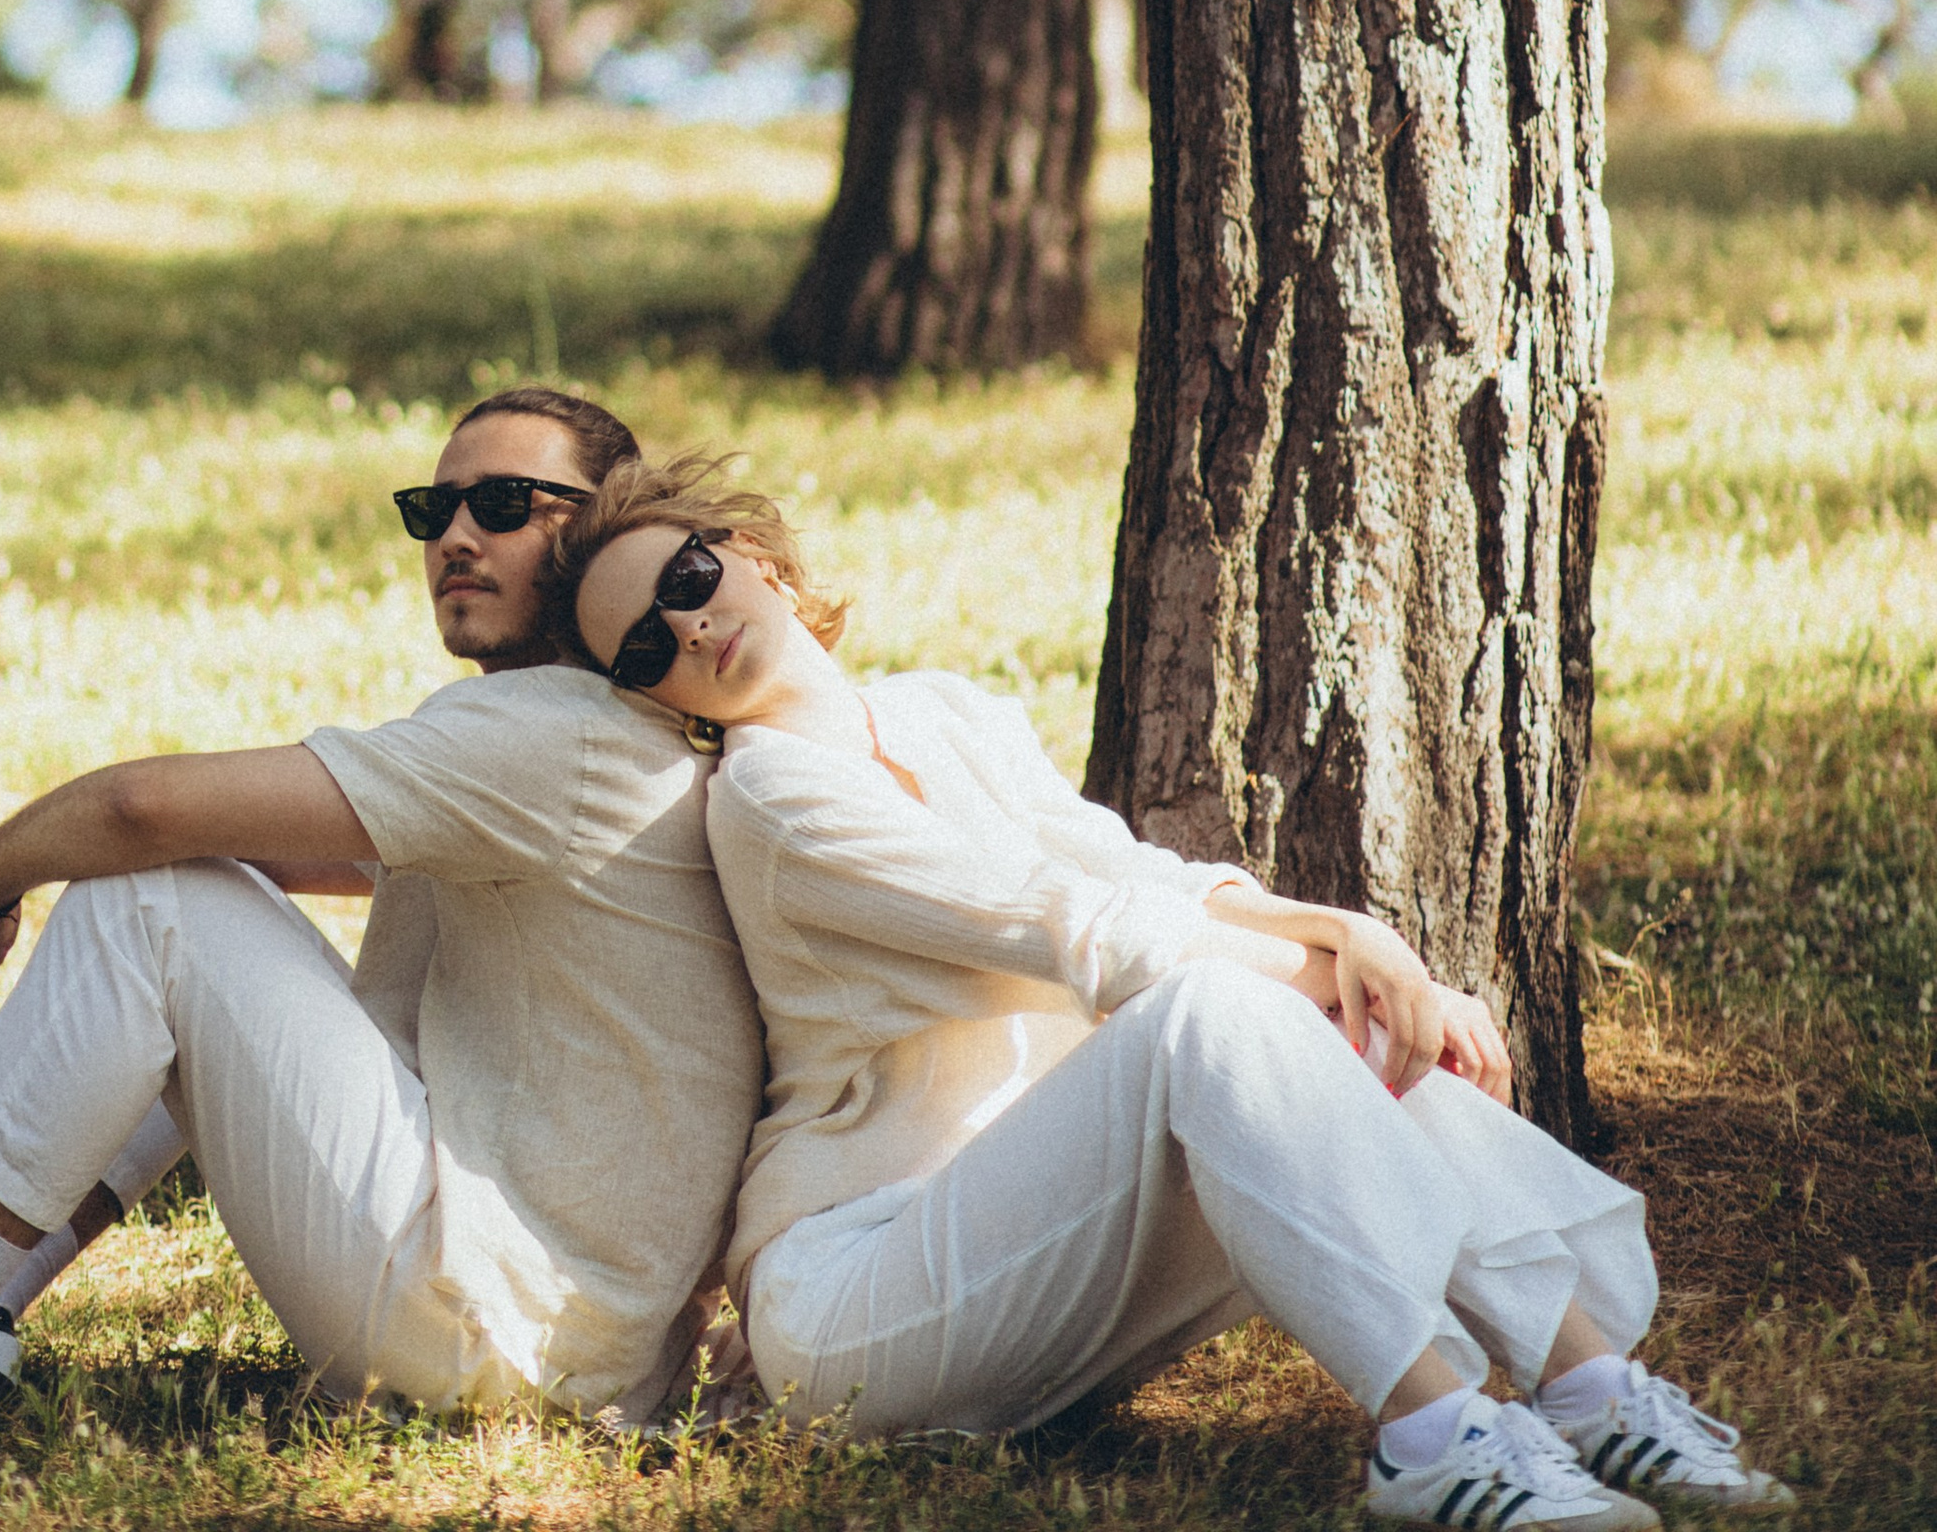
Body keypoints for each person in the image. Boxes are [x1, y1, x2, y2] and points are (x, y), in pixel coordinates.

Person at [554, 458, 1792, 1526]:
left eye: (688, 580)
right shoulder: (770, 799)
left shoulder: (939, 711)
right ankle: (1433, 1437)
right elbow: (1067, 931)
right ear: (658, 697)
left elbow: (1135, 876)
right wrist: (1338, 977)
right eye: (649, 647)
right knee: (1215, 1012)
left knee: (1286, 1025)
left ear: (757, 558)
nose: (691, 628)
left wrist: (1353, 936)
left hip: (1042, 1246)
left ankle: (1590, 1393)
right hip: (863, 1305)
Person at [0, 386, 762, 1451]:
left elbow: (141, 809)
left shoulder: (546, 736)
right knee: (193, 895)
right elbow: (349, 859)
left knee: (153, 895)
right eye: (435, 509)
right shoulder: (605, 731)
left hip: (497, 1337)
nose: (458, 536)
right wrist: (35, 841)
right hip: (568, 1336)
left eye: (506, 505)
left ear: (601, 529)